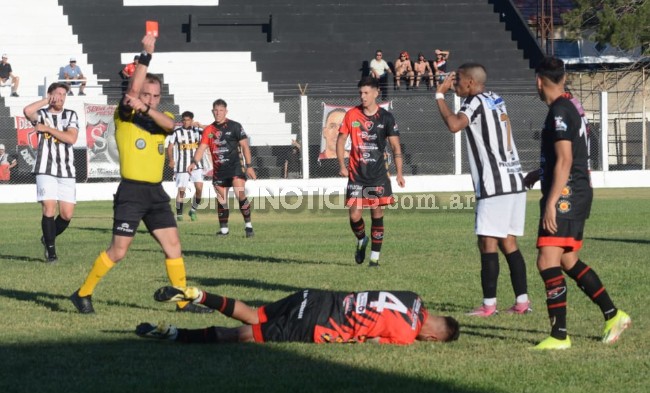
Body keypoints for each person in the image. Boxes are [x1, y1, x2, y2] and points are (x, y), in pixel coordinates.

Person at [69, 34, 211, 314]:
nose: (152, 99)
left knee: (173, 246)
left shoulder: (158, 118)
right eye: (147, 94)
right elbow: (132, 95)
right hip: (132, 192)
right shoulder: (125, 115)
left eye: (156, 95)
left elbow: (171, 126)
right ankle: (82, 293)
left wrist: (147, 106)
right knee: (118, 251)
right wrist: (145, 56)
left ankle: (183, 301)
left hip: (155, 192)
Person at [524, 57, 631, 349]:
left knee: (547, 259)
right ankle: (613, 314)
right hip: (576, 190)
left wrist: (551, 202)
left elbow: (567, 158)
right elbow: (572, 152)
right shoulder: (570, 103)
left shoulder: (559, 110)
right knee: (567, 259)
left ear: (539, 80)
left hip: (567, 195)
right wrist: (539, 173)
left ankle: (559, 336)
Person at [435, 63, 531, 317]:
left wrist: (439, 96)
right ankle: (522, 302)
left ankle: (489, 306)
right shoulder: (495, 99)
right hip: (514, 180)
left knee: (486, 242)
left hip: (495, 184)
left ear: (469, 83)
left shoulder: (475, 101)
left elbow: (455, 125)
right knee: (508, 241)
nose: (454, 86)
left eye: (456, 82)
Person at [136, 285, 460, 345]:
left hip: (314, 297)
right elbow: (374, 340)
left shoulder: (413, 298)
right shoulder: (405, 336)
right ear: (432, 335)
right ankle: (176, 334)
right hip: (318, 325)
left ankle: (200, 295)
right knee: (245, 335)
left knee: (254, 313)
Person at [337, 77, 405, 267]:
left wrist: (399, 173)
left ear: (376, 93)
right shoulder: (351, 115)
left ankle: (374, 259)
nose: (363, 96)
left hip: (378, 175)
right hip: (357, 175)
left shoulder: (386, 117)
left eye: (366, 93)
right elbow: (341, 140)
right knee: (354, 216)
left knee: (377, 214)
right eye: (360, 93)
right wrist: (342, 165)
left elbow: (395, 147)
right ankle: (361, 240)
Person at [23, 82, 79, 263]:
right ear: (51, 95)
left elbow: (71, 138)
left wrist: (46, 129)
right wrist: (46, 100)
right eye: (58, 94)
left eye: (64, 95)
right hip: (45, 169)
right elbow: (27, 110)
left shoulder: (70, 115)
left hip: (66, 170)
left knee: (66, 215)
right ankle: (51, 253)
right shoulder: (42, 114)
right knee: (49, 207)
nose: (61, 98)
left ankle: (47, 238)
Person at [188, 99, 257, 238]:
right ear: (212, 112)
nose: (218, 113)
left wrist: (249, 166)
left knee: (240, 195)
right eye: (216, 110)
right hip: (219, 170)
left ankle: (248, 226)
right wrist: (194, 162)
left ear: (226, 111)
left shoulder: (235, 126)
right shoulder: (208, 130)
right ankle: (224, 230)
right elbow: (202, 148)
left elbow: (244, 146)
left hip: (236, 167)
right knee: (221, 199)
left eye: (221, 110)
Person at [167, 110, 204, 221]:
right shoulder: (176, 132)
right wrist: (171, 160)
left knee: (199, 189)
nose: (186, 122)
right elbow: (170, 146)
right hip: (182, 166)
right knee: (181, 191)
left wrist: (201, 125)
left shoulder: (197, 131)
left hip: (196, 165)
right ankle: (179, 214)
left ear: (192, 120)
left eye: (188, 120)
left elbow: (212, 133)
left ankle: (193, 210)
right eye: (184, 120)